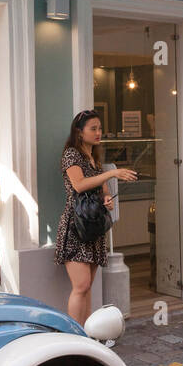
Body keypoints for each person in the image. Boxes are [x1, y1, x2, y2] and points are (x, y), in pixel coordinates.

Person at [56, 110, 135, 322]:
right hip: (77, 226)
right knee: (80, 286)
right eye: (93, 128)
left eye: (100, 128)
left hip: (93, 225)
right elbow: (79, 185)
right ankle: (75, 334)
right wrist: (112, 173)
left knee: (87, 286)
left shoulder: (93, 157)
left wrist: (106, 198)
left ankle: (88, 331)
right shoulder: (72, 154)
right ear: (79, 132)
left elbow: (102, 188)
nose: (98, 132)